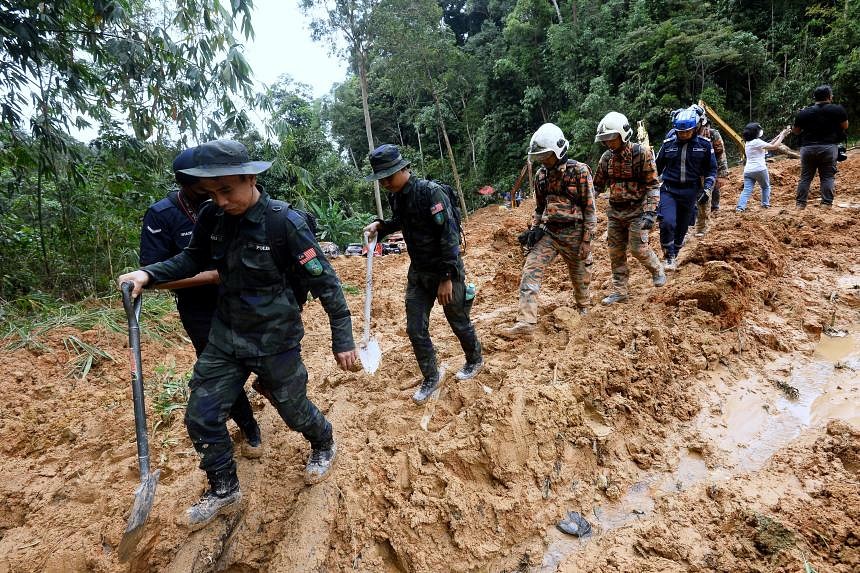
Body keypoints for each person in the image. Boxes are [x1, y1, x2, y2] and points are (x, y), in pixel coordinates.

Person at [118, 139, 356, 531]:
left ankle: (323, 441)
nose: (220, 200)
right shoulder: (212, 217)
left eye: (227, 189)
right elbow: (192, 259)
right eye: (211, 192)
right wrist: (148, 273)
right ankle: (224, 487)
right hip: (226, 336)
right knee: (202, 415)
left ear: (250, 177)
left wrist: (342, 339)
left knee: (294, 411)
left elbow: (326, 284)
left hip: (275, 339)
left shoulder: (285, 224)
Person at [140, 148, 262, 459]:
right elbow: (156, 275)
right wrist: (208, 277)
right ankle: (249, 426)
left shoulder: (227, 201)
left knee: (262, 353)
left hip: (243, 299)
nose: (215, 190)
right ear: (187, 183)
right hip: (200, 310)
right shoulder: (161, 215)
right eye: (204, 183)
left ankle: (271, 384)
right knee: (219, 371)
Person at [362, 144, 483, 404]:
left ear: (403, 169)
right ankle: (430, 376)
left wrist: (446, 278)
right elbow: (401, 222)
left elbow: (448, 236)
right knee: (415, 328)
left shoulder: (431, 193)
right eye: (381, 179)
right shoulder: (397, 197)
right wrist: (380, 226)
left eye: (388, 177)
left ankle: (474, 359)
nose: (384, 183)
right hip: (419, 273)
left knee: (458, 320)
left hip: (445, 270)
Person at [501, 122, 596, 337]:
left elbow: (590, 209)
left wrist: (587, 241)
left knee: (580, 277)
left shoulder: (580, 172)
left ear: (559, 150)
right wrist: (534, 231)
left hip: (575, 233)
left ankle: (583, 308)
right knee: (530, 271)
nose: (544, 160)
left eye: (547, 155)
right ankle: (526, 321)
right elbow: (539, 207)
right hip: (550, 233)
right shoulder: (541, 176)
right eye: (541, 157)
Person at [592, 111, 666, 305]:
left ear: (623, 135)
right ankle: (620, 291)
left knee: (638, 249)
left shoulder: (642, 154)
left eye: (612, 138)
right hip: (615, 212)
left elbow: (652, 185)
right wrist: (586, 202)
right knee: (615, 253)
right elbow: (597, 186)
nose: (608, 143)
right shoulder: (606, 159)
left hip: (637, 211)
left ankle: (657, 269)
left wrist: (651, 212)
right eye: (605, 139)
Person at [655, 109, 717, 270]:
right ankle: (668, 256)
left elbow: (712, 169)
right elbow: (656, 168)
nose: (683, 135)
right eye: (680, 132)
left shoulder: (704, 145)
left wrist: (708, 189)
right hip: (669, 189)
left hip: (690, 192)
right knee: (667, 222)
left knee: (682, 227)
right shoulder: (668, 145)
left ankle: (674, 253)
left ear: (695, 128)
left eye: (687, 132)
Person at [792, 84, 849, 208]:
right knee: (827, 176)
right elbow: (845, 126)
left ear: (815, 97)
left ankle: (800, 204)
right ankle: (826, 203)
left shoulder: (804, 112)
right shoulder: (837, 109)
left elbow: (796, 131)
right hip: (828, 147)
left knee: (805, 177)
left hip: (807, 148)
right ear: (829, 96)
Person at [688, 104, 729, 236]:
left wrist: (722, 174)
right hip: (691, 172)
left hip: (708, 172)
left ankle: (703, 227)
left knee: (705, 197)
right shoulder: (685, 134)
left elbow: (720, 155)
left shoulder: (712, 135)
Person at [736, 123, 791, 212]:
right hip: (760, 169)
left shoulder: (748, 142)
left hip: (748, 171)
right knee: (765, 187)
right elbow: (774, 147)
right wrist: (783, 136)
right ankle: (765, 204)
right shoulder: (757, 142)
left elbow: (768, 144)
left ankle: (739, 208)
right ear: (755, 132)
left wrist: (780, 134)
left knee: (746, 190)